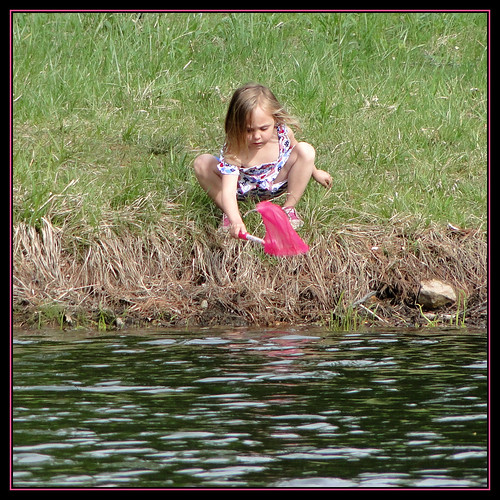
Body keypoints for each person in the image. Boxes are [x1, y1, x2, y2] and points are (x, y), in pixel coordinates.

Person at [193, 83, 332, 239]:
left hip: (276, 184)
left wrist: (315, 172)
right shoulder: (235, 147)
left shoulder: (282, 133)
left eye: (264, 128)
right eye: (248, 130)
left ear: (275, 118)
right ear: (236, 125)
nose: (257, 136)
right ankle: (230, 213)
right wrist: (236, 220)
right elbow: (228, 189)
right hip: (242, 190)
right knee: (202, 163)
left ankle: (287, 210)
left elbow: (300, 153)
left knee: (306, 149)